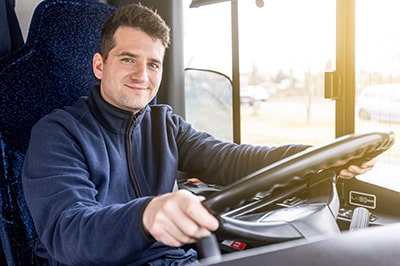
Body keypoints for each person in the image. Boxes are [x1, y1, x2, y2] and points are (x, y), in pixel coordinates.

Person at [21, 3, 376, 265]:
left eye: (153, 64)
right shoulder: (58, 132)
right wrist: (146, 216)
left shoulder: (165, 124)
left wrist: (317, 157)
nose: (142, 75)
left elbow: (231, 160)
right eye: (128, 59)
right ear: (100, 65)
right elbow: (69, 231)